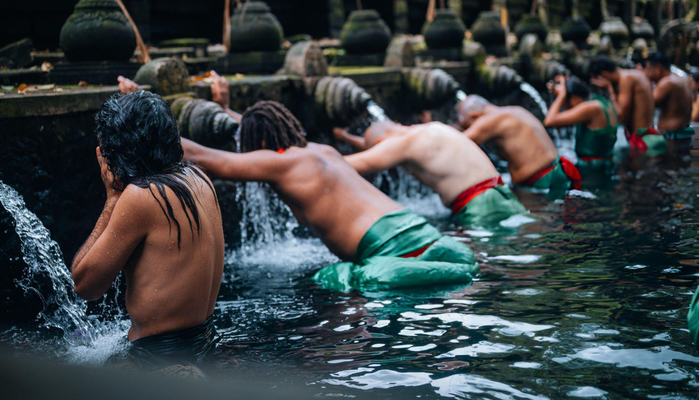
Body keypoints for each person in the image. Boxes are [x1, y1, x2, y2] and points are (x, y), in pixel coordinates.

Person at [180, 100, 478, 292]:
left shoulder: (281, 163)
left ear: (258, 142)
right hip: (425, 234)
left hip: (391, 255)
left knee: (328, 284)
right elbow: (262, 128)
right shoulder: (323, 151)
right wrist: (225, 107)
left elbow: (209, 159)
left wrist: (144, 111)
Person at [72, 90, 224, 370]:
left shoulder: (142, 197)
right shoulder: (198, 177)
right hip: (204, 346)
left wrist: (112, 198)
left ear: (116, 151)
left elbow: (84, 285)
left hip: (157, 362)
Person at [333, 121, 527, 227]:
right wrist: (345, 137)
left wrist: (311, 156)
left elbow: (363, 162)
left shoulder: (402, 144)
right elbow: (374, 147)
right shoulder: (428, 129)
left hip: (481, 207)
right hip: (501, 195)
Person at [457, 95, 581, 200]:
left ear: (474, 116)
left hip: (541, 183)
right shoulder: (515, 110)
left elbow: (456, 141)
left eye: (467, 126)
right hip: (553, 174)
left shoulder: (490, 120)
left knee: (537, 226)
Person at [589, 55, 666, 157]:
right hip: (648, 137)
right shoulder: (630, 74)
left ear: (603, 75)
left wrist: (609, 90)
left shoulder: (626, 79)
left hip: (644, 141)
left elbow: (620, 116)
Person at [544, 75, 618, 168]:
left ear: (574, 99)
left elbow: (549, 121)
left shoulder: (590, 108)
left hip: (593, 171)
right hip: (603, 166)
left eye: (566, 104)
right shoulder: (600, 101)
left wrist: (561, 95)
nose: (567, 109)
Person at [642, 53, 693, 155]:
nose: (646, 73)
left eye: (648, 69)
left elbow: (647, 104)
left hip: (671, 135)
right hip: (684, 133)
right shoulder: (683, 79)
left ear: (658, 68)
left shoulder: (667, 82)